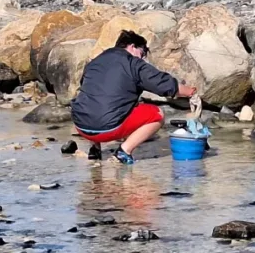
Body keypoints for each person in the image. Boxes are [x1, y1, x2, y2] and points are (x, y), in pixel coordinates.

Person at [70, 30, 196, 165]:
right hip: (107, 128)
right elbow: (163, 84)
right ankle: (124, 151)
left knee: (95, 100)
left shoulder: (96, 61)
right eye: (142, 54)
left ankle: (95, 150)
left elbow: (88, 89)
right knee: (157, 114)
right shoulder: (133, 63)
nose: (141, 59)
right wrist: (190, 92)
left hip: (80, 125)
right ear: (132, 47)